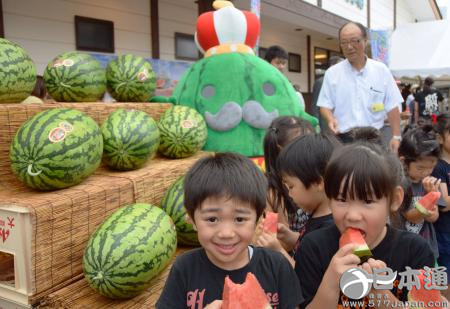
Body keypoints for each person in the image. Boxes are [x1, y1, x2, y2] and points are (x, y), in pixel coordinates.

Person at [156, 152, 303, 309]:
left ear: (258, 219)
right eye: (212, 219)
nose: (226, 233)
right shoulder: (184, 269)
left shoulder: (276, 266)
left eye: (239, 219)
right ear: (191, 220)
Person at [295, 143, 435, 308]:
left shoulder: (415, 250)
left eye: (368, 201)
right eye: (341, 200)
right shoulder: (313, 247)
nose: (353, 216)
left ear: (395, 200)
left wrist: (379, 293)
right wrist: (331, 282)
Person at [317, 22, 402, 152]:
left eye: (355, 41)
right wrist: (330, 119)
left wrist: (396, 136)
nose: (349, 47)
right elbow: (324, 104)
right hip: (343, 138)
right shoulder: (332, 73)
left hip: (374, 138)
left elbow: (392, 105)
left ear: (365, 41)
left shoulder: (381, 70)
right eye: (344, 42)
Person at [262, 116, 314, 253]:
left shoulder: (322, 183)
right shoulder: (269, 193)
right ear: (282, 151)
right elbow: (272, 240)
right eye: (306, 149)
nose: (313, 154)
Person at [398, 126, 444, 260]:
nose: (426, 173)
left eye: (431, 168)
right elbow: (411, 216)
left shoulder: (431, 183)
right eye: (420, 168)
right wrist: (428, 199)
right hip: (405, 250)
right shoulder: (400, 185)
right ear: (404, 162)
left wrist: (432, 196)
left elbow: (434, 218)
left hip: (427, 247)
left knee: (429, 280)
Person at [432, 113, 450, 280]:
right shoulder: (438, 168)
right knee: (446, 276)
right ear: (440, 138)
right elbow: (444, 204)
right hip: (445, 232)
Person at [311, 56, 343, 131]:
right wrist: (317, 124)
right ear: (332, 66)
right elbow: (315, 105)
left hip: (340, 122)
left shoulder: (343, 81)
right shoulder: (321, 82)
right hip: (325, 123)